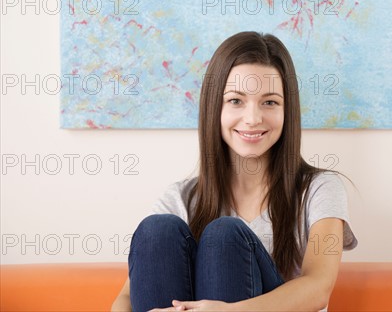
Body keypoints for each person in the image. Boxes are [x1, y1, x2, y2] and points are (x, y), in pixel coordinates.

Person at [111, 31, 358, 312]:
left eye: (270, 102)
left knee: (224, 236)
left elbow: (318, 288)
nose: (252, 118)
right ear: (214, 106)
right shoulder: (181, 198)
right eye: (236, 101)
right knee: (157, 229)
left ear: (287, 111)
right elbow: (125, 299)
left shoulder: (321, 189)